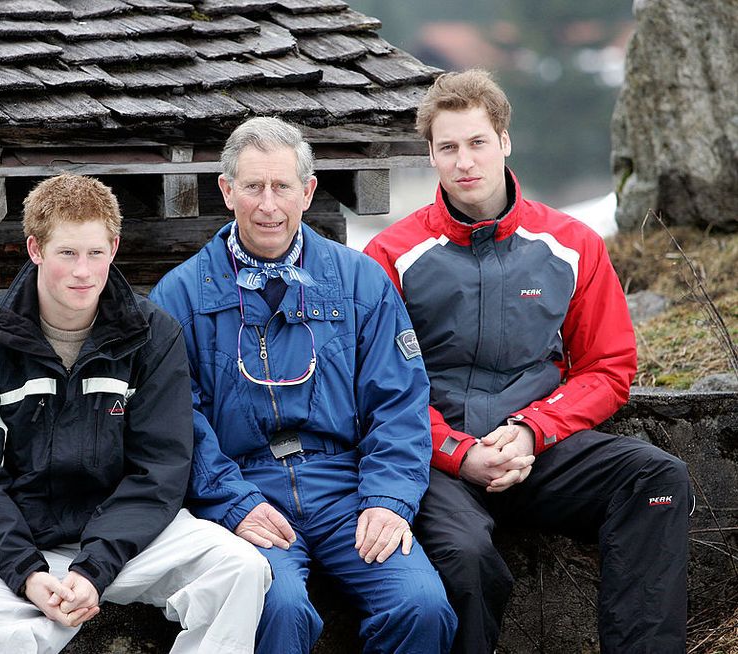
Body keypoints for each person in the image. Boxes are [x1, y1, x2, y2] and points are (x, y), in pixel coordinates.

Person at [364, 69, 692, 654]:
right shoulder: (391, 255)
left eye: (477, 142)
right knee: (465, 559)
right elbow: (381, 389)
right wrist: (459, 454)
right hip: (437, 460)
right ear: (431, 156)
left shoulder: (572, 244)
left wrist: (531, 430)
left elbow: (608, 367)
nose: (465, 161)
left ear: (505, 141)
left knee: (656, 478)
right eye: (448, 147)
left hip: (537, 447)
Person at [150, 117, 456, 654]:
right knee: (277, 605)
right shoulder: (178, 297)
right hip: (247, 489)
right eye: (253, 187)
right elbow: (175, 420)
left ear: (308, 191)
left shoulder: (360, 280)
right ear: (226, 191)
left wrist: (387, 499)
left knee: (421, 605)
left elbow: (401, 401)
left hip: (346, 486)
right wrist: (230, 502)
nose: (268, 204)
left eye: (283, 186)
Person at [0, 173, 271, 654]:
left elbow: (161, 468)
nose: (83, 271)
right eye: (67, 253)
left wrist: (96, 567)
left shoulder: (153, 334)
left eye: (95, 253)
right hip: (30, 545)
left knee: (240, 568)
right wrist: (27, 574)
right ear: (35, 249)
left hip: (133, 540)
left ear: (114, 246)